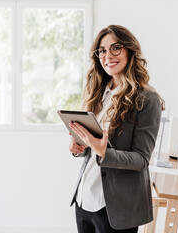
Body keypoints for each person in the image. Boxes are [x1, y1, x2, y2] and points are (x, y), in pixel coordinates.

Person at [68, 25, 164, 233]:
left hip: (117, 208)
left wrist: (104, 151)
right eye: (102, 50)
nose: (107, 55)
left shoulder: (147, 99)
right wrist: (80, 145)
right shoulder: (97, 92)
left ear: (130, 50)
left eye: (116, 48)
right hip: (85, 199)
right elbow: (91, 148)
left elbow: (141, 160)